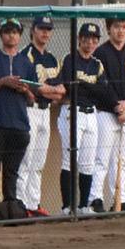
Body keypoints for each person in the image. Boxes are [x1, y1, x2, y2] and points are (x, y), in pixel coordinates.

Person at [0, 18, 63, 216]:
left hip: (19, 123)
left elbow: (31, 98)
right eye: (7, 32)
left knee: (12, 170)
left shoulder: (25, 62)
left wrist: (25, 90)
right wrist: (3, 81)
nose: (11, 35)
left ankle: (11, 208)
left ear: (20, 35)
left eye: (15, 32)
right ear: (1, 35)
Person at [48, 22, 110, 215]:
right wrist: (85, 86)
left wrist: (82, 85)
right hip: (72, 112)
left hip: (91, 113)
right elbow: (70, 86)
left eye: (94, 39)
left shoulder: (97, 64)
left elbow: (103, 91)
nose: (90, 42)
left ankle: (83, 206)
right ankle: (67, 206)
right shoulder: (70, 59)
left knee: (88, 163)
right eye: (86, 38)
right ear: (79, 39)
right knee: (69, 160)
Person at [90, 17, 125, 213]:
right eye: (116, 27)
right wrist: (116, 105)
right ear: (109, 29)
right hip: (105, 113)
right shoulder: (101, 53)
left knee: (121, 160)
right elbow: (102, 83)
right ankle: (95, 198)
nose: (120, 31)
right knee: (101, 158)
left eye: (124, 27)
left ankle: (120, 199)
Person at [17, 16, 60, 217]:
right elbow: (33, 87)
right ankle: (21, 205)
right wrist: (50, 90)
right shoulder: (26, 55)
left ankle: (33, 203)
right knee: (26, 160)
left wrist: (49, 90)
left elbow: (61, 90)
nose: (45, 33)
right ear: (33, 30)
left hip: (46, 112)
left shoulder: (51, 58)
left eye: (48, 29)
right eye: (41, 28)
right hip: (31, 110)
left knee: (39, 162)